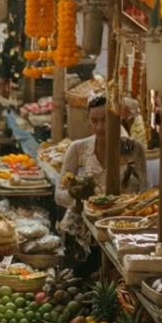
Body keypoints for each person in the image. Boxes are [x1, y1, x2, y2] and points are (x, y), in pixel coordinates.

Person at [56, 93, 148, 269]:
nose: (99, 127)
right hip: (80, 233)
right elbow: (59, 196)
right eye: (94, 121)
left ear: (117, 119)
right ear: (88, 121)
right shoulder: (77, 149)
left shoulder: (134, 149)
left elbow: (144, 194)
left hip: (119, 229)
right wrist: (75, 195)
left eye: (105, 120)